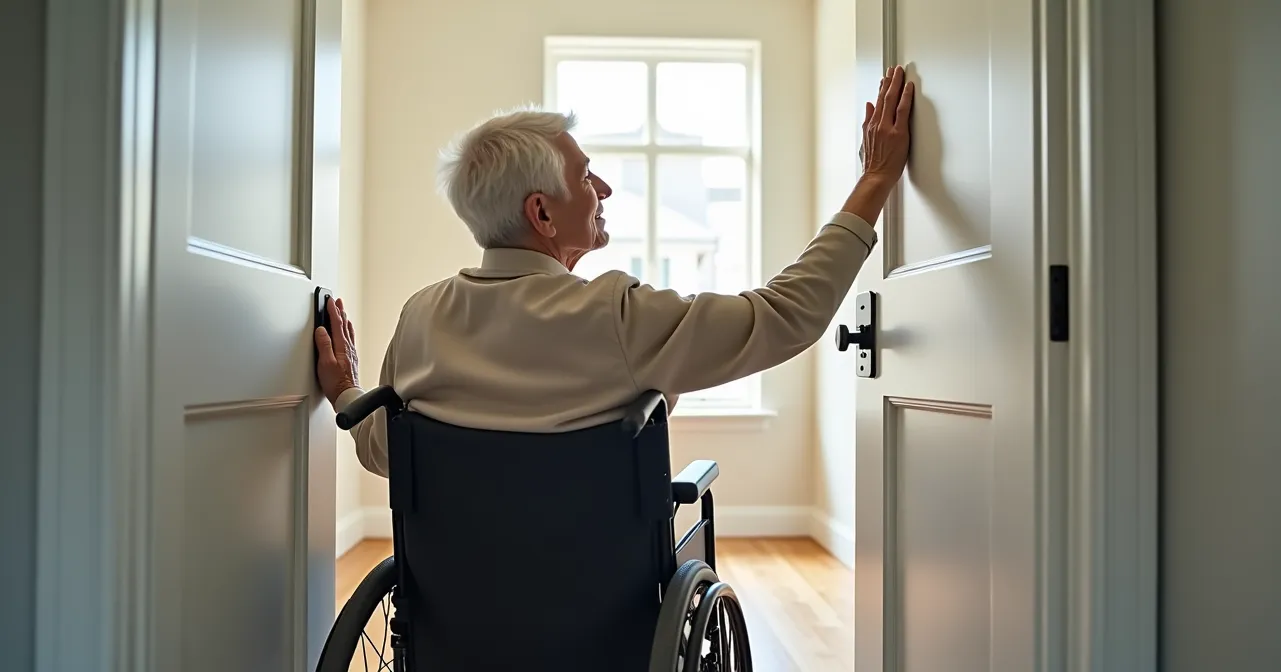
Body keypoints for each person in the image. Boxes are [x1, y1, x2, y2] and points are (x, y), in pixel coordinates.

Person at [316, 66, 916, 477]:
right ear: (542, 213)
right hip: (593, 598)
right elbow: (785, 316)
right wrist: (875, 181)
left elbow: (382, 449)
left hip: (461, 602)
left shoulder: (420, 317)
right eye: (584, 176)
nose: (602, 188)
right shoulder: (616, 315)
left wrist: (346, 387)